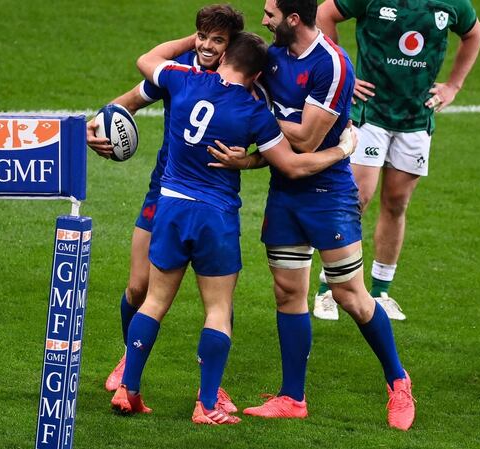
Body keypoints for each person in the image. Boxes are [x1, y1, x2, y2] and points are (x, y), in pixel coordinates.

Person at [110, 31, 356, 424]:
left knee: (154, 302)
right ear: (257, 74)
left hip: (171, 207)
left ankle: (129, 389)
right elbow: (292, 165)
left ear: (223, 56)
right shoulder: (254, 112)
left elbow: (148, 58)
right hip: (216, 217)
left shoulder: (182, 77)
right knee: (219, 310)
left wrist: (192, 40)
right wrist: (343, 149)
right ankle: (206, 405)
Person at [237, 0, 415, 431]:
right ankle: (292, 397)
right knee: (287, 293)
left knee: (348, 295)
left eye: (271, 14)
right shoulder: (273, 56)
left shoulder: (332, 66)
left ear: (293, 19)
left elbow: (307, 139)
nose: (264, 20)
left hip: (326, 193)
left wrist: (262, 117)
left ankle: (398, 381)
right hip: (285, 191)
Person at [85, 5, 243, 412]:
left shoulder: (243, 81)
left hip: (211, 201)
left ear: (233, 46)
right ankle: (129, 360)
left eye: (217, 39)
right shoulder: (181, 70)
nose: (207, 46)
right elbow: (129, 102)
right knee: (139, 288)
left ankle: (211, 387)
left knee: (217, 301)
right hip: (165, 192)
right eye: (201, 36)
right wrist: (99, 125)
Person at [313, 0, 480, 321]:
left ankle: (380, 292)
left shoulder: (453, 3)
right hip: (371, 113)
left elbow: (473, 33)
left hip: (417, 117)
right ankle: (328, 288)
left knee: (397, 203)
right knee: (357, 198)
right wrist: (343, 75)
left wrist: (454, 85)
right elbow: (325, 13)